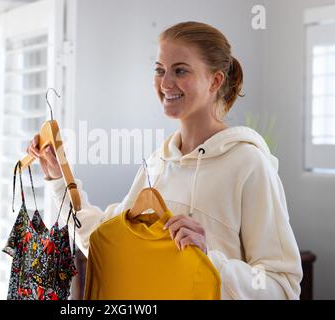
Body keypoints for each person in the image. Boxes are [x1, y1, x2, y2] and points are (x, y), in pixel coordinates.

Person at [26, 21, 303, 300]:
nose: (165, 83)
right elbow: (104, 242)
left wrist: (209, 261)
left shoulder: (248, 163)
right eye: (160, 70)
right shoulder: (158, 164)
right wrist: (58, 181)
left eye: (180, 70)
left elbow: (283, 288)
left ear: (215, 81)